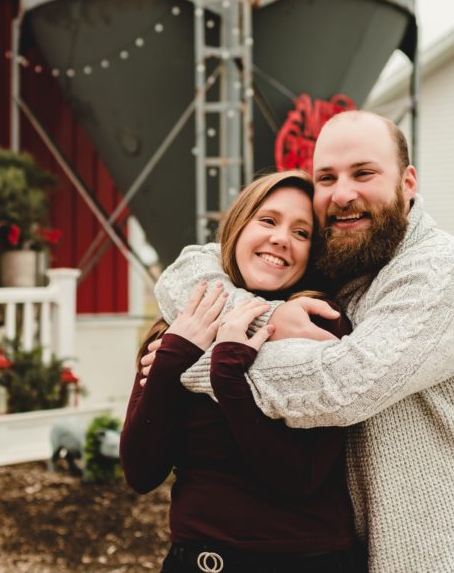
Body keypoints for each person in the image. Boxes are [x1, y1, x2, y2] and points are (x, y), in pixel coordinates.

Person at [150, 111, 454, 572]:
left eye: (363, 173)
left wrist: (196, 359)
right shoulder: (344, 252)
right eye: (326, 177)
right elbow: (190, 267)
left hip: (445, 559)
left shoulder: (445, 272)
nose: (343, 194)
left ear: (408, 182)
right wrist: (266, 316)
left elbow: (342, 386)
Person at [120, 170, 365, 573]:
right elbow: (141, 473)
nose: (281, 238)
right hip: (201, 562)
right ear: (237, 227)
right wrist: (171, 362)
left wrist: (229, 377)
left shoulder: (319, 324)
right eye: (267, 221)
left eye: (302, 233)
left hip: (308, 561)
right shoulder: (183, 323)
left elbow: (299, 479)